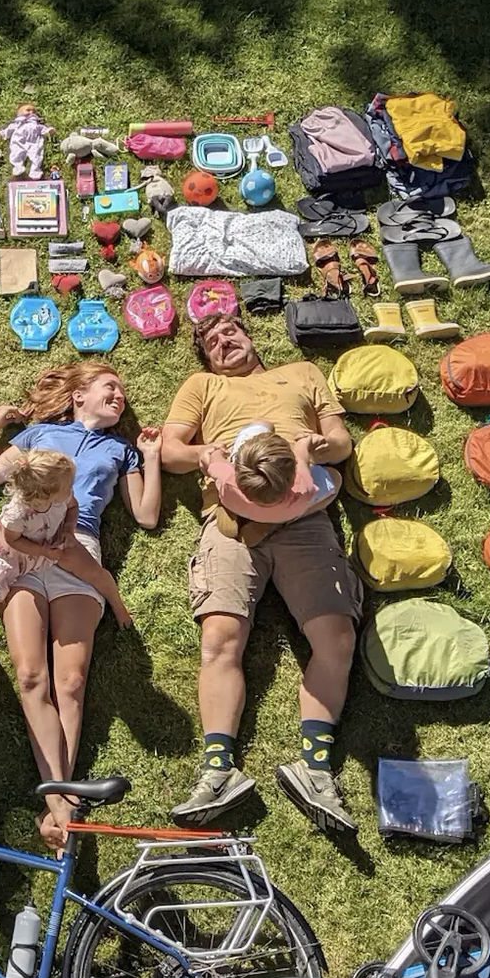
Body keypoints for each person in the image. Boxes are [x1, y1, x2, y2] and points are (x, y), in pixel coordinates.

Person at [160, 314, 365, 833]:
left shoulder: (302, 373)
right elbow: (169, 452)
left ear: (250, 338)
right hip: (231, 520)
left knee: (337, 638)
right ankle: (217, 772)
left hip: (305, 516)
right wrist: (204, 453)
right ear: (205, 357)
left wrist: (317, 448)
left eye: (230, 332)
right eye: (211, 341)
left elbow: (341, 441)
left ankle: (314, 769)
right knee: (220, 640)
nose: (223, 342)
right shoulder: (203, 386)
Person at [0, 363, 161, 847]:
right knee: (33, 676)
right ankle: (61, 804)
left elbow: (147, 515)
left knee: (71, 682)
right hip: (22, 551)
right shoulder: (38, 434)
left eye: (122, 388)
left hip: (79, 550)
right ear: (78, 395)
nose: (119, 393)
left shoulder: (121, 450)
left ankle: (59, 799)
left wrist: (151, 456)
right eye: (109, 385)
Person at [0, 448, 133, 628]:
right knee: (2, 585)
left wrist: (69, 530)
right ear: (46, 495)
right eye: (68, 486)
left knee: (94, 571)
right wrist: (42, 551)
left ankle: (118, 605)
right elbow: (12, 540)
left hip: (55, 539)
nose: (72, 489)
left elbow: (73, 508)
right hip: (23, 551)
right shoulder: (18, 514)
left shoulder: (62, 495)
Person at [202, 423, 341, 527]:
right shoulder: (304, 487)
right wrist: (305, 442)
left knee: (262, 424)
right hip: (286, 512)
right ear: (294, 477)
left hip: (236, 503)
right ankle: (283, 523)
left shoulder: (226, 477)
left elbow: (211, 461)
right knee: (335, 477)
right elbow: (302, 457)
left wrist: (216, 450)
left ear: (238, 466)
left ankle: (232, 512)